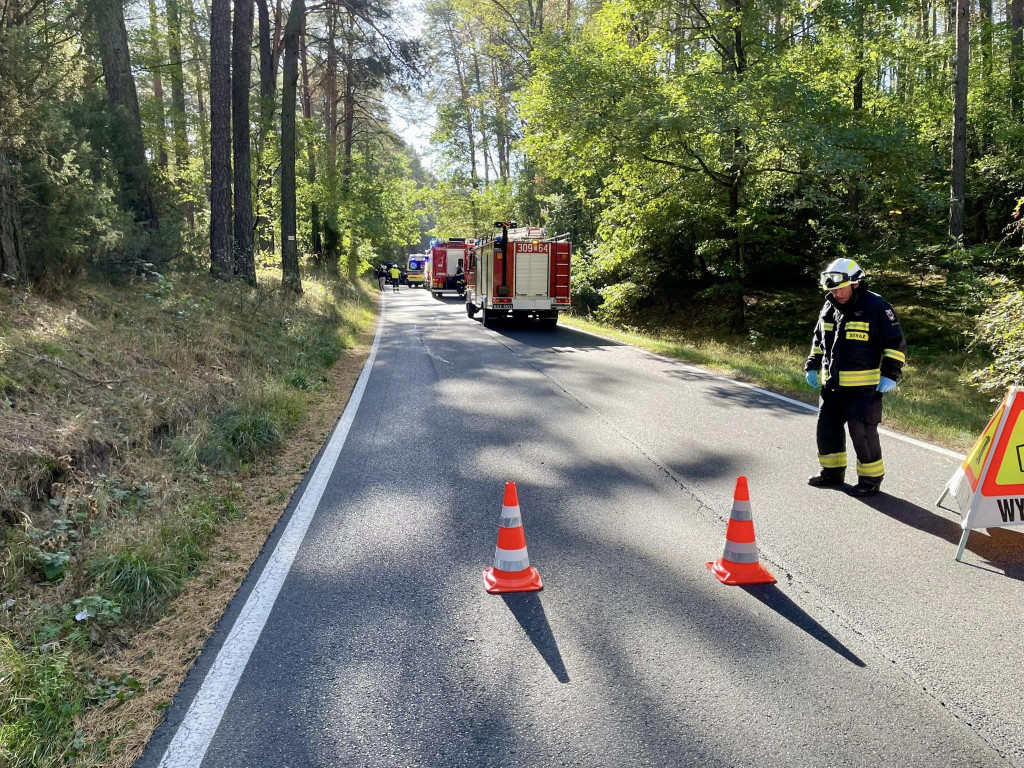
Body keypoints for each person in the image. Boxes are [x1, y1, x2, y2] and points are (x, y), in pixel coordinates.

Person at [803, 258, 907, 497]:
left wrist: (890, 374)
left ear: (856, 283)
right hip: (832, 387)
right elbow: (819, 340)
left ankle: (870, 479)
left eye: (841, 287)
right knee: (827, 430)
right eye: (832, 288)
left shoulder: (877, 306)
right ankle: (832, 472)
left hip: (863, 389)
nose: (836, 293)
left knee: (862, 434)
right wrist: (812, 365)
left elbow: (895, 344)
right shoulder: (829, 307)